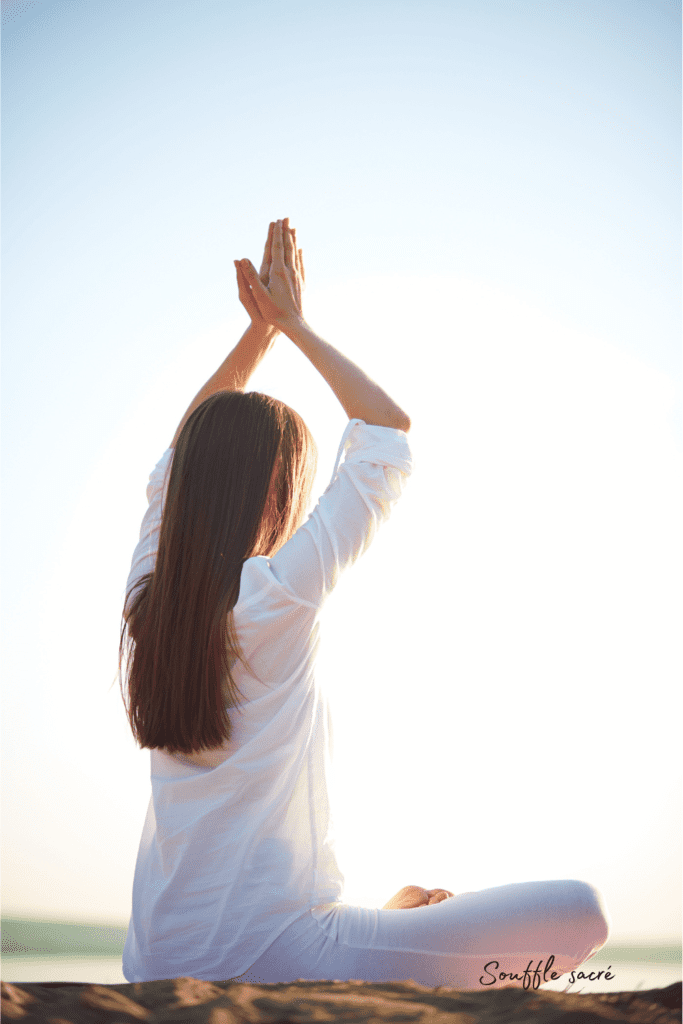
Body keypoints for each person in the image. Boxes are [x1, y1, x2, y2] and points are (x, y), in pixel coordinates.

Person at [119, 219, 610, 988]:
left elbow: (178, 460)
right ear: (275, 490)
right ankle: (388, 929)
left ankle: (386, 928)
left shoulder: (149, 601)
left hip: (151, 961)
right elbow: (385, 430)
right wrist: (292, 327)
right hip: (280, 952)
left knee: (429, 921)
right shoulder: (274, 596)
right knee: (581, 914)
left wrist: (257, 338)